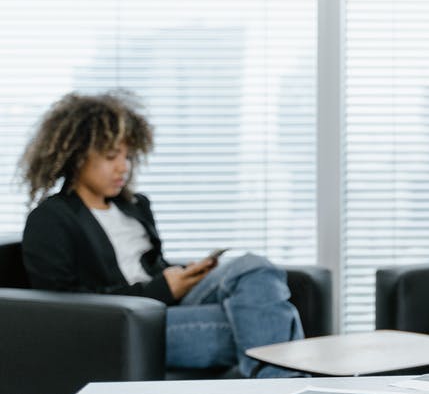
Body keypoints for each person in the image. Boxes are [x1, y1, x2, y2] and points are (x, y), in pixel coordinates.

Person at [19, 90, 305, 378]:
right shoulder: (50, 219)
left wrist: (185, 274)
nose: (123, 167)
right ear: (77, 157)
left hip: (170, 305)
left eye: (128, 156)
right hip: (126, 326)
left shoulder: (134, 206)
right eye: (111, 156)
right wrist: (161, 289)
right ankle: (281, 385)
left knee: (253, 266)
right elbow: (62, 310)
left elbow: (150, 267)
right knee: (264, 321)